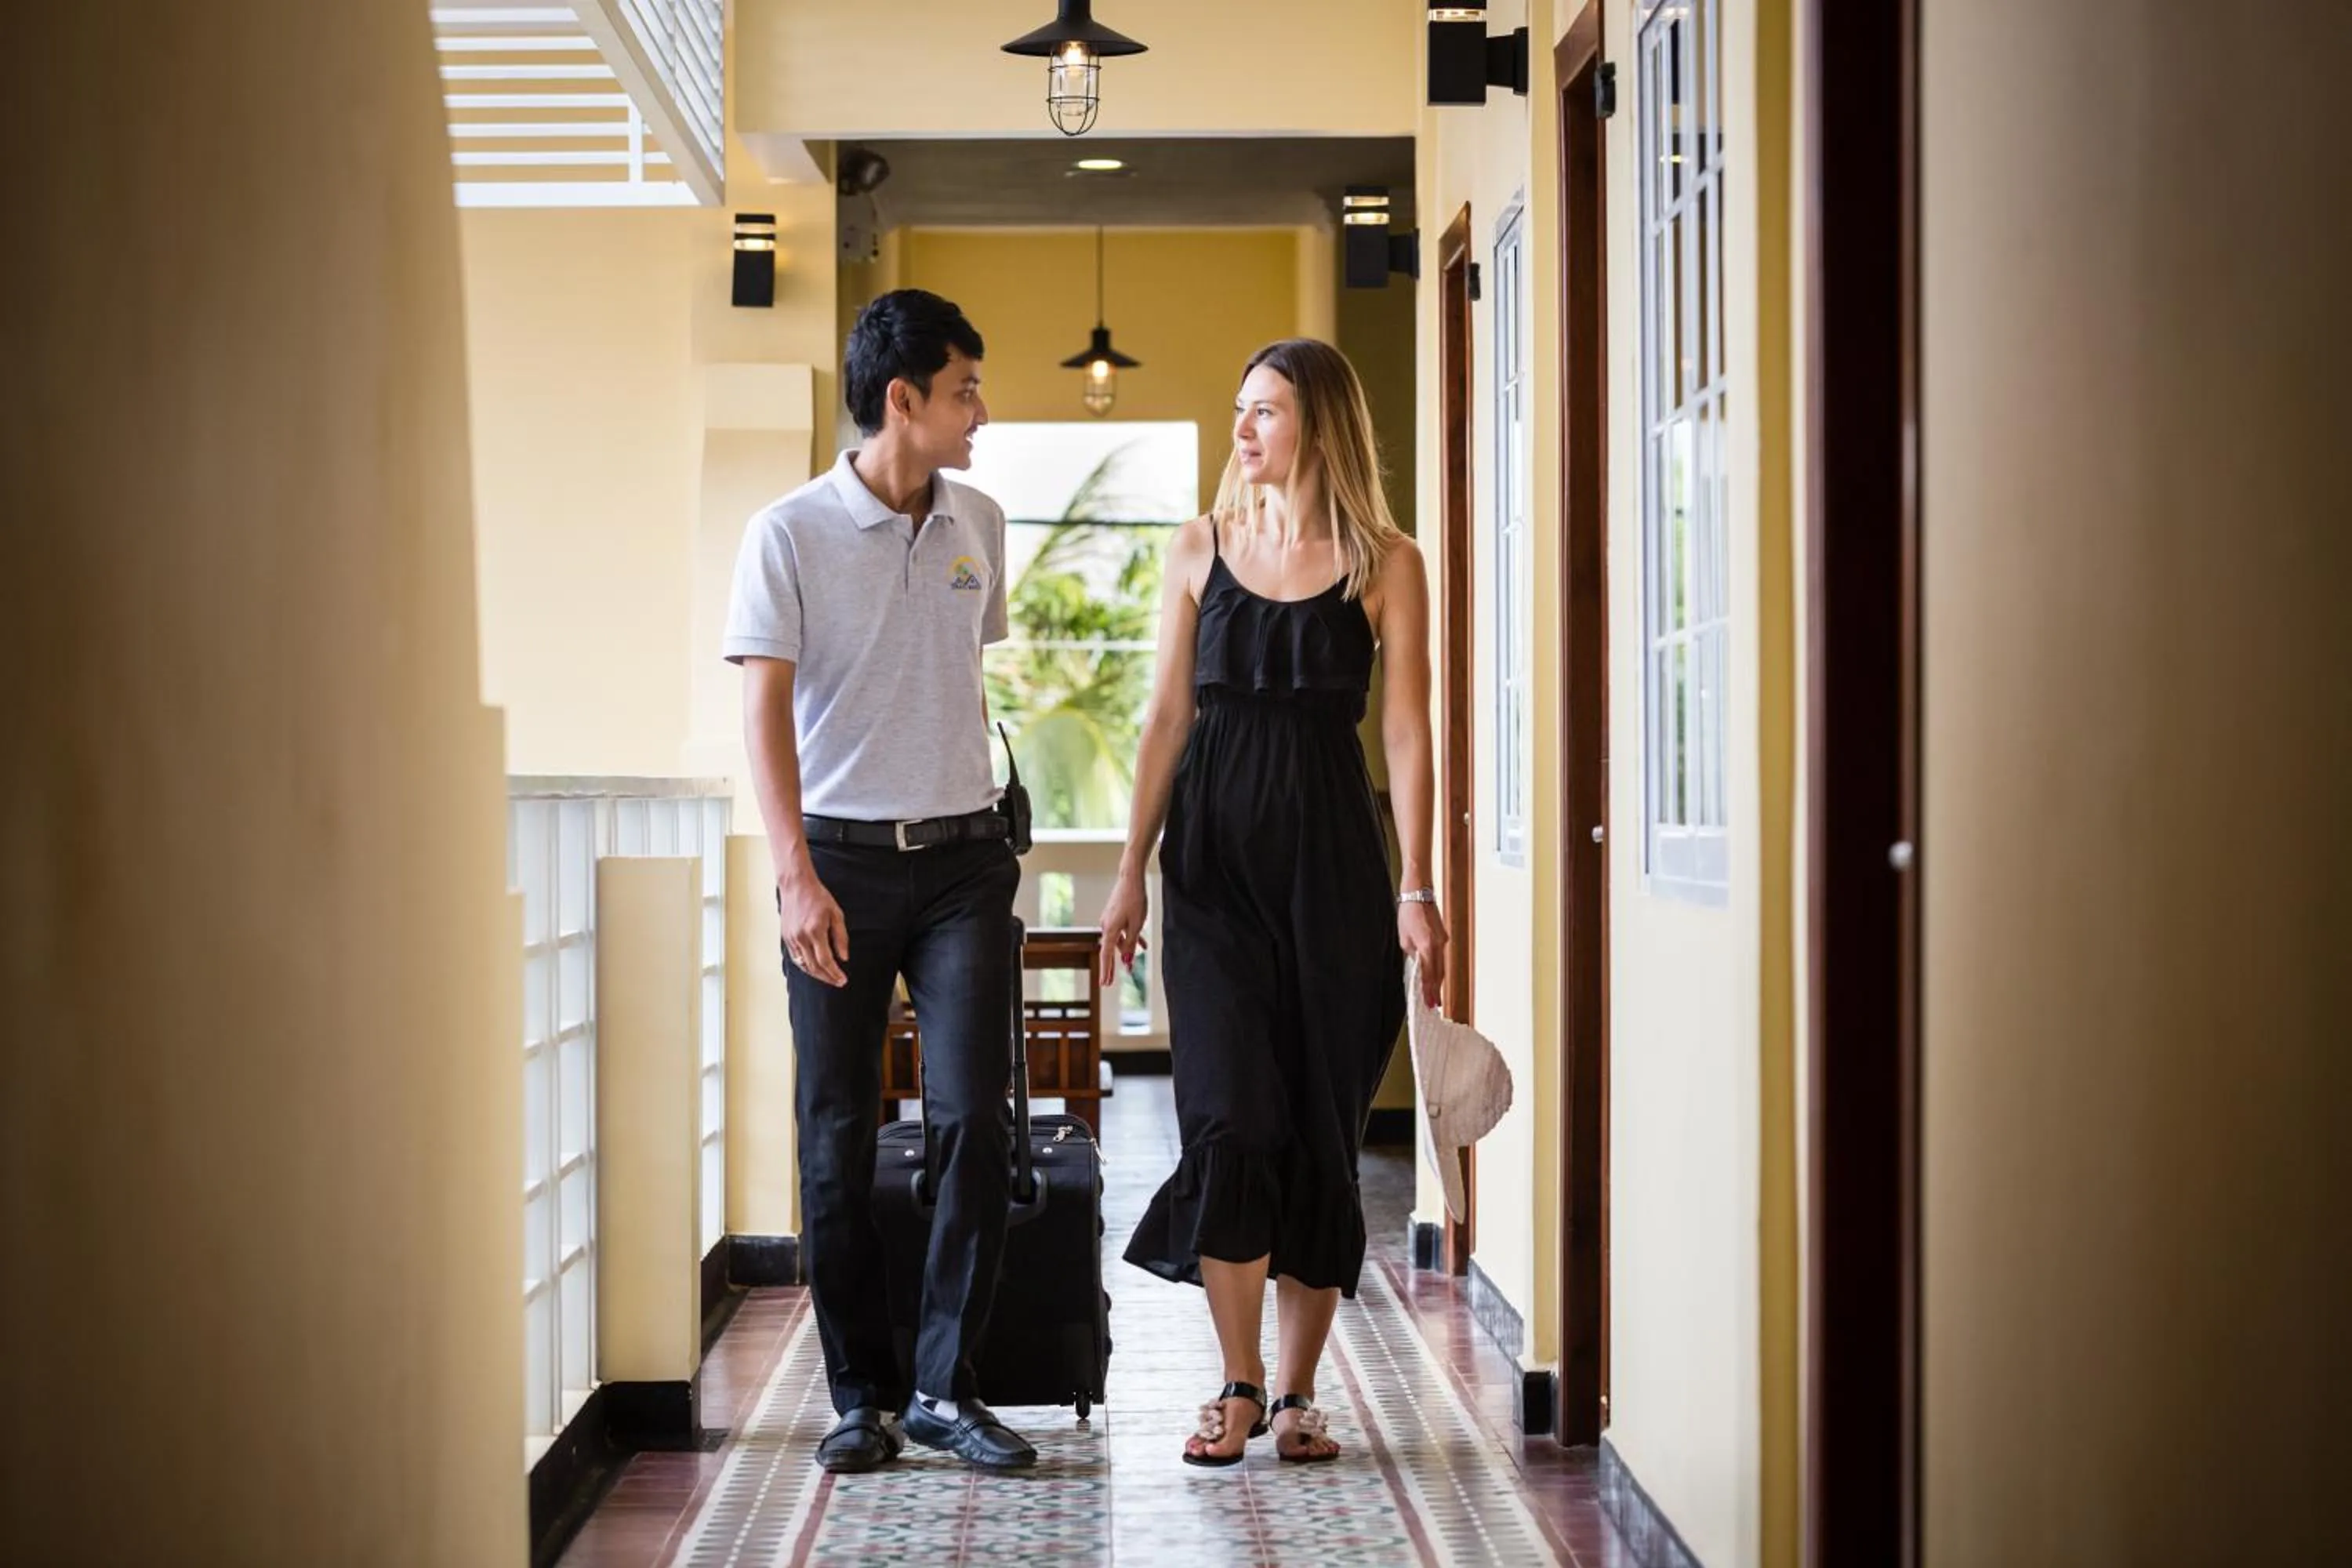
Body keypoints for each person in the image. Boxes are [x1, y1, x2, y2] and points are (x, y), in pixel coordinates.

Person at [1098, 337, 1447, 1466]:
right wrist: (1127, 873)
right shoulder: (1198, 549)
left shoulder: (1386, 561)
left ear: (1319, 425)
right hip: (1211, 871)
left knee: (1315, 1130)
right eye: (1238, 408)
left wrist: (1418, 884)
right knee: (1229, 1116)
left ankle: (1297, 1394)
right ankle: (1236, 1382)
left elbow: (1406, 730)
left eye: (1265, 411)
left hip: (1336, 870)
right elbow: (1164, 721)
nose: (1242, 428)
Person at [723, 289, 1036, 1473]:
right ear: (901, 399)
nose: (980, 413)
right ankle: (861, 1396)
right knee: (837, 1134)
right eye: (964, 390)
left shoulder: (981, 523)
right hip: (839, 866)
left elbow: (956, 678)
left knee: (972, 1120)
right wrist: (795, 878)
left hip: (963, 861)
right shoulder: (787, 533)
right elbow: (762, 714)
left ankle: (947, 1388)